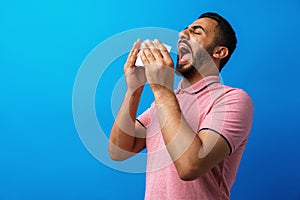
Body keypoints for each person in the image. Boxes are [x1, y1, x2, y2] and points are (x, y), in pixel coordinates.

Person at [109, 12, 253, 200]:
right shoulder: (163, 103)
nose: (182, 34)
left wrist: (161, 90)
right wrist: (134, 89)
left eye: (196, 31)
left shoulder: (232, 100)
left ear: (219, 52)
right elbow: (118, 151)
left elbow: (190, 166)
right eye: (184, 30)